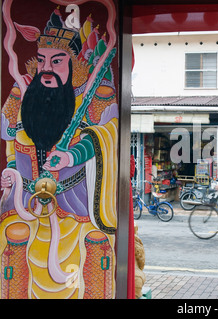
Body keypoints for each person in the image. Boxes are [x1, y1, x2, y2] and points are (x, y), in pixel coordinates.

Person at [0, 6, 118, 299]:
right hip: (25, 201)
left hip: (72, 204)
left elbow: (106, 134)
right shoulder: (22, 96)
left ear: (75, 63)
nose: (46, 68)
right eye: (41, 61)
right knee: (11, 239)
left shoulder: (93, 96)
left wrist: (72, 156)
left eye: (57, 60)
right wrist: (11, 174)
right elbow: (11, 144)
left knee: (96, 241)